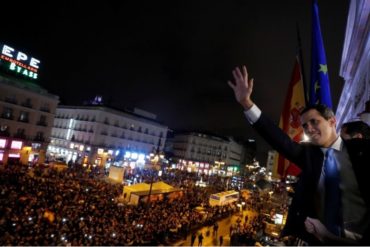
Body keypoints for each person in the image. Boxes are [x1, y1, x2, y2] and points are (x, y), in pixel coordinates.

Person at [228, 66, 370, 245]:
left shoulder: (361, 150)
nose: (309, 128)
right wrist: (247, 104)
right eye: (305, 125)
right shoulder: (309, 156)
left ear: (332, 121)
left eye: (314, 121)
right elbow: (279, 139)